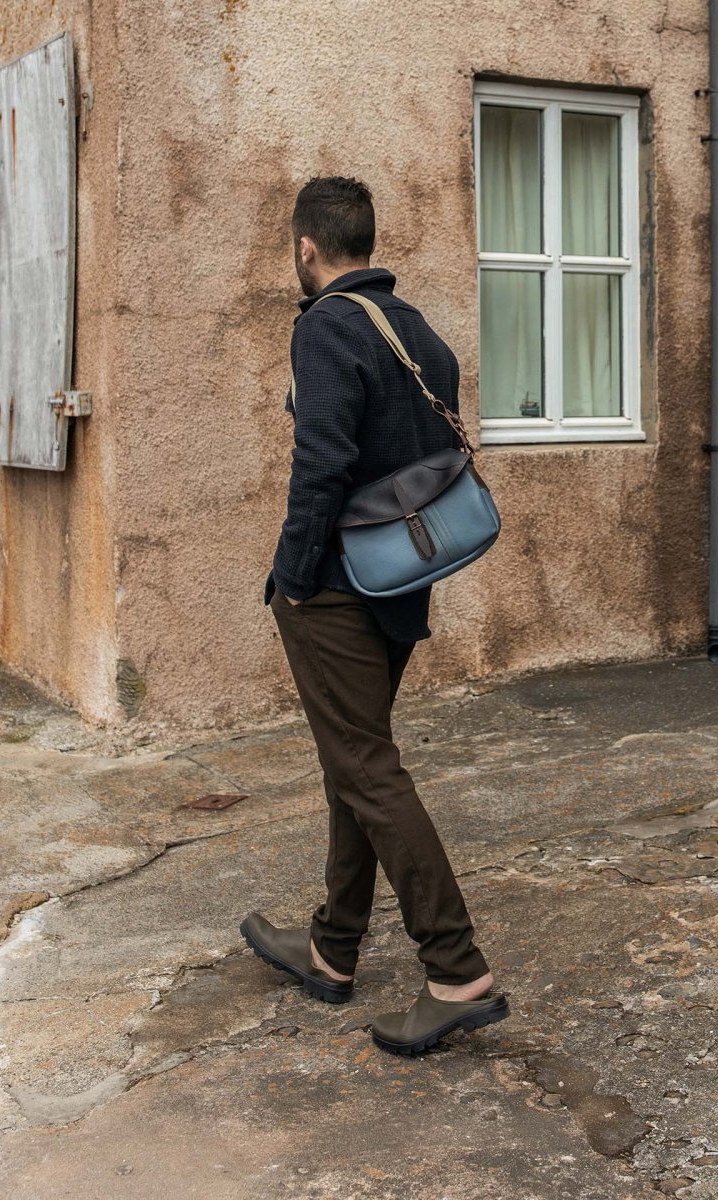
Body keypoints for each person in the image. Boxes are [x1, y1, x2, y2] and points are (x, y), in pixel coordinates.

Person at [241, 175, 508, 1056]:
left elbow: (321, 465)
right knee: (352, 760)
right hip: (400, 585)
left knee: (366, 765)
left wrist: (290, 576)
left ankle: (456, 969)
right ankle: (333, 946)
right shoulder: (419, 332)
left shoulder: (323, 328)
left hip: (336, 590)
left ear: (307, 248)